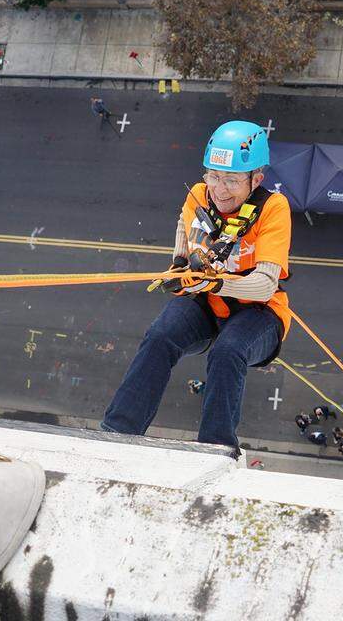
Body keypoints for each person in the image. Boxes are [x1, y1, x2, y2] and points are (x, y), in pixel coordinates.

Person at [102, 121, 291, 449]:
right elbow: (184, 239)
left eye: (231, 180)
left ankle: (216, 450)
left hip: (259, 311)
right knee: (160, 336)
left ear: (256, 179)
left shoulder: (273, 209)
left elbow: (263, 285)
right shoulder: (199, 198)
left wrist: (216, 285)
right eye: (213, 176)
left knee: (228, 351)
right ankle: (118, 432)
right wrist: (177, 274)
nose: (219, 189)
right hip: (206, 297)